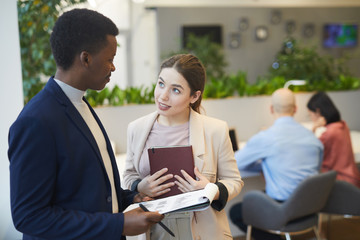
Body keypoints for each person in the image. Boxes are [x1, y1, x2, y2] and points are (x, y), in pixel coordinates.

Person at [8, 8, 163, 240]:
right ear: (86, 58)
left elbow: (89, 191)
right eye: (110, 59)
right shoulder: (36, 121)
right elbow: (29, 216)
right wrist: (118, 224)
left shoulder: (80, 104)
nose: (113, 67)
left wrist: (130, 199)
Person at [122, 54, 243, 240]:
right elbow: (129, 176)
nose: (163, 96)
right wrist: (140, 186)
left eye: (175, 90)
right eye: (161, 84)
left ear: (194, 96)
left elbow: (234, 181)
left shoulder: (216, 130)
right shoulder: (136, 129)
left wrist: (211, 189)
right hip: (154, 227)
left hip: (201, 228)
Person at [229, 88, 324, 240]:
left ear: (271, 109)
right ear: (296, 109)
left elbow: (234, 162)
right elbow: (316, 171)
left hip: (282, 210)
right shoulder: (313, 139)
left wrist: (262, 163)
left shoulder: (267, 138)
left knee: (236, 212)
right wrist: (269, 164)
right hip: (310, 209)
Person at [307, 91, 360, 188]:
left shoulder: (329, 134)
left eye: (310, 115)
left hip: (340, 184)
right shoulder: (342, 125)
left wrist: (314, 129)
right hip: (353, 180)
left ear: (318, 112)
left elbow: (311, 153)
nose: (311, 118)